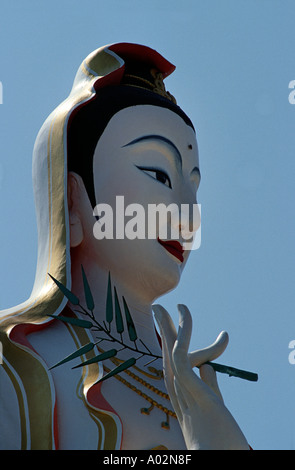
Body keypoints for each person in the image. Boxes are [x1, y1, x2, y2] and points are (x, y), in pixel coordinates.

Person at [0, 43, 249, 450]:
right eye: (158, 174)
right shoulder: (12, 358)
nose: (190, 215)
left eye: (194, 186)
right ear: (73, 199)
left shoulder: (197, 395)